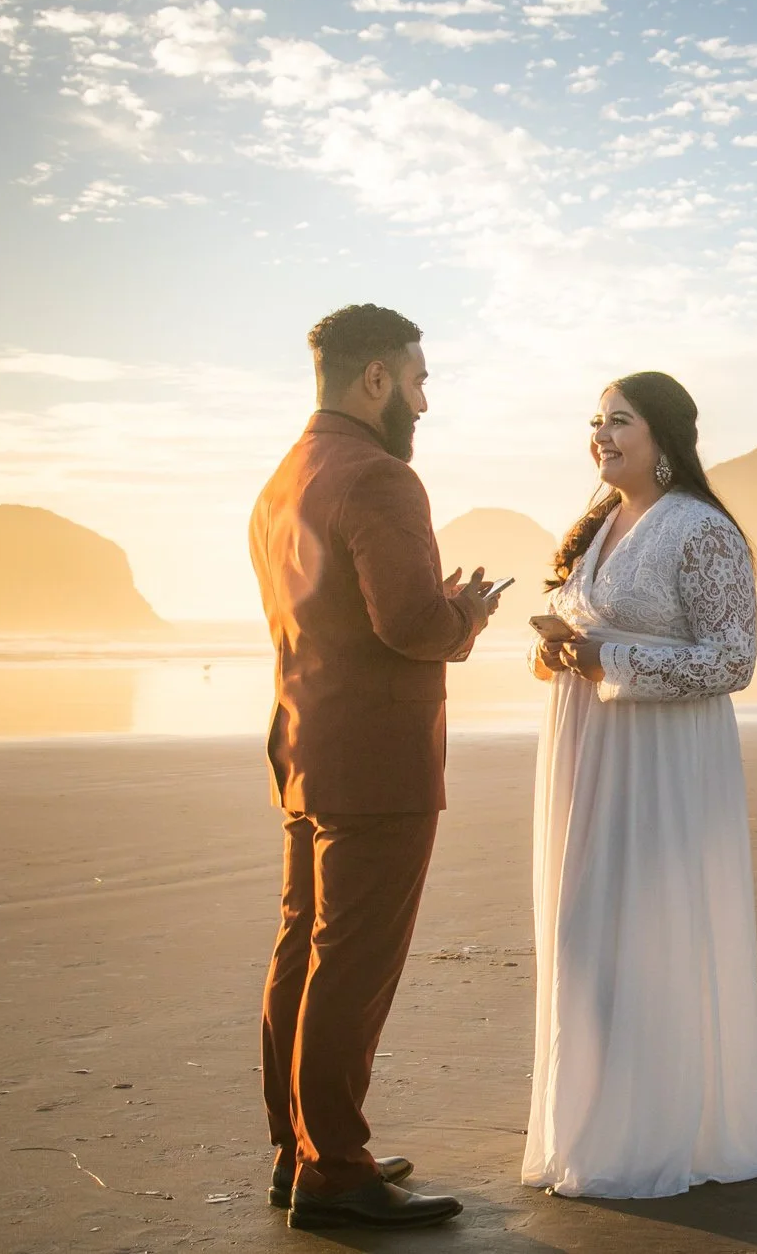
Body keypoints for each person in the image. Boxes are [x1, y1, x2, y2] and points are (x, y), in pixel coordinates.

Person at [523, 371, 757, 1198]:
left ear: (665, 436)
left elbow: (733, 659)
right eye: (595, 421)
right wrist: (557, 652)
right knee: (584, 937)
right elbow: (586, 630)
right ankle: (590, 1122)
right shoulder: (598, 524)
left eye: (620, 421)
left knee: (648, 934)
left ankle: (659, 1131)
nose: (601, 435)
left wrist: (608, 659)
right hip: (587, 757)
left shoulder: (701, 529)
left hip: (664, 766)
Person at [248, 303, 502, 1231]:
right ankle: (337, 1170)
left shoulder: (282, 481)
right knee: (352, 966)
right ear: (376, 379)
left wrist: (431, 609)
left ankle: (298, 1148)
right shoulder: (383, 478)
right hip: (377, 762)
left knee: (301, 951)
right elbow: (407, 626)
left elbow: (338, 616)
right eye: (419, 378)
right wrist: (463, 615)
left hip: (304, 747)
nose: (426, 400)